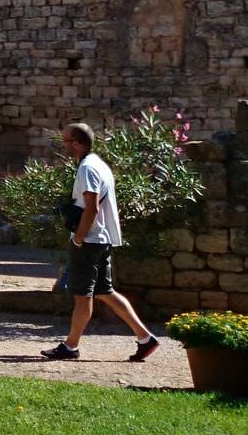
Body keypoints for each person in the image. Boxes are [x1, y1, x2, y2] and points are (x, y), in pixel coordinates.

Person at [42, 123, 161, 362]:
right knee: (105, 291)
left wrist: (78, 238)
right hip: (101, 239)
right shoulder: (99, 164)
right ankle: (145, 337)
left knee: (83, 295)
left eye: (66, 141)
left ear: (76, 143)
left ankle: (70, 346)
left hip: (89, 240)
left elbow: (92, 206)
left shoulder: (87, 168)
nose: (63, 145)